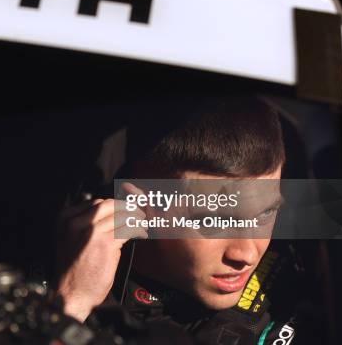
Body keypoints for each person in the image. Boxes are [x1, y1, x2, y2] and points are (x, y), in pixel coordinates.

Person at [54, 97, 322, 344]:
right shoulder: (57, 279)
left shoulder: (317, 272)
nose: (248, 254)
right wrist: (72, 306)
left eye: (265, 213)